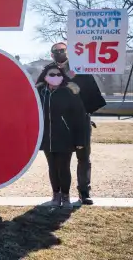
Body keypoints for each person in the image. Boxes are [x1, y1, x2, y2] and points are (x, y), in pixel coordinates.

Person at [37, 42, 106, 205]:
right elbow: (38, 89)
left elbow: (92, 96)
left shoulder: (81, 68)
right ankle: (59, 194)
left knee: (83, 156)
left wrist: (83, 106)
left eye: (62, 50)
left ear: (68, 51)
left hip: (80, 120)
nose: (60, 53)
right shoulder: (48, 70)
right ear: (52, 54)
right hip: (58, 126)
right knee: (58, 162)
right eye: (56, 51)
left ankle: (84, 192)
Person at [37, 65, 89, 209]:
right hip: (47, 138)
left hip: (65, 137)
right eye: (51, 74)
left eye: (57, 74)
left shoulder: (70, 92)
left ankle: (65, 197)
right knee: (52, 167)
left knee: (63, 167)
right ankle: (56, 195)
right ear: (45, 76)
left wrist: (80, 140)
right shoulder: (40, 92)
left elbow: (79, 117)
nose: (55, 77)